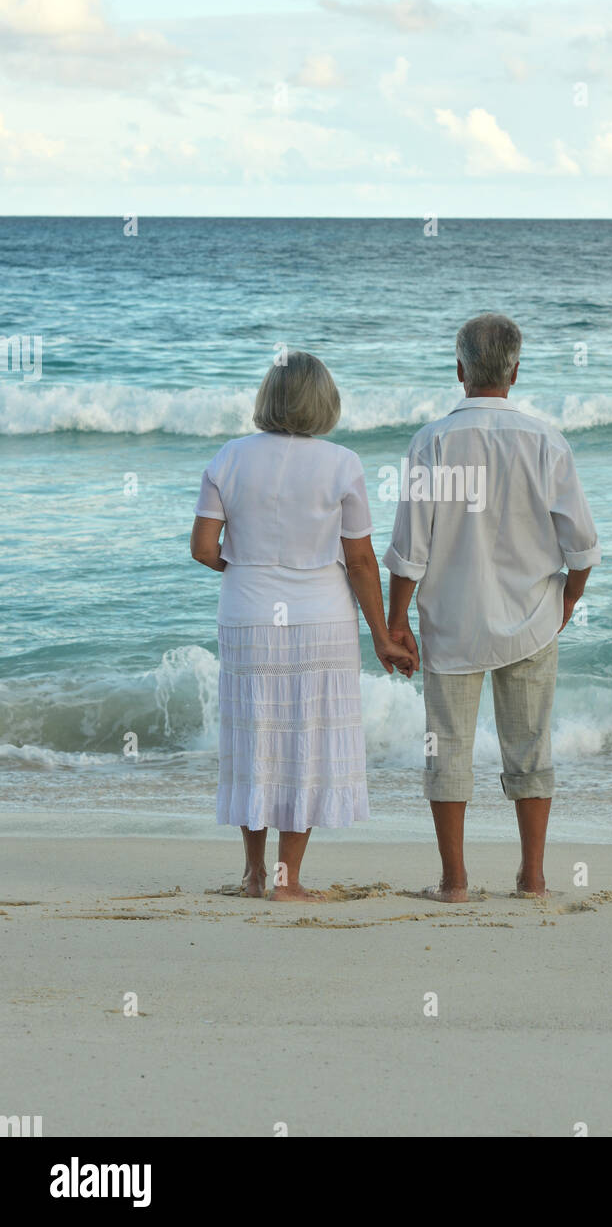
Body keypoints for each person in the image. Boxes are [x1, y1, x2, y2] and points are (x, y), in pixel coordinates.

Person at [383, 313, 600, 901]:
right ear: (515, 371)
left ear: (459, 371)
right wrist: (570, 600)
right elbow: (581, 545)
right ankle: (532, 878)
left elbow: (409, 552)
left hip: (452, 621)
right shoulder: (546, 442)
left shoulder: (432, 441)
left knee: (446, 746)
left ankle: (454, 882)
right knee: (531, 744)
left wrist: (395, 620)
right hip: (532, 617)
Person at [190, 350, 416, 902]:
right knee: (305, 744)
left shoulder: (229, 456)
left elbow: (201, 549)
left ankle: (253, 874)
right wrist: (384, 635)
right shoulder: (342, 463)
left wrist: (243, 569)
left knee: (255, 738)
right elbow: (361, 562)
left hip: (247, 615)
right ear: (324, 403)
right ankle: (287, 881)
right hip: (320, 618)